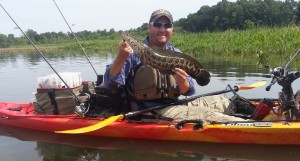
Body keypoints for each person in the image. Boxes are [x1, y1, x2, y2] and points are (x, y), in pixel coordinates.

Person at [104, 9, 246, 124]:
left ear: (172, 28)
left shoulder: (176, 53)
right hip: (150, 111)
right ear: (149, 26)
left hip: (176, 104)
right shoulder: (132, 54)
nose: (162, 29)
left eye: (167, 25)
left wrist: (182, 81)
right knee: (210, 115)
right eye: (157, 24)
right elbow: (110, 84)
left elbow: (189, 91)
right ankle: (250, 127)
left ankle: (258, 116)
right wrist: (121, 58)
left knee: (223, 102)